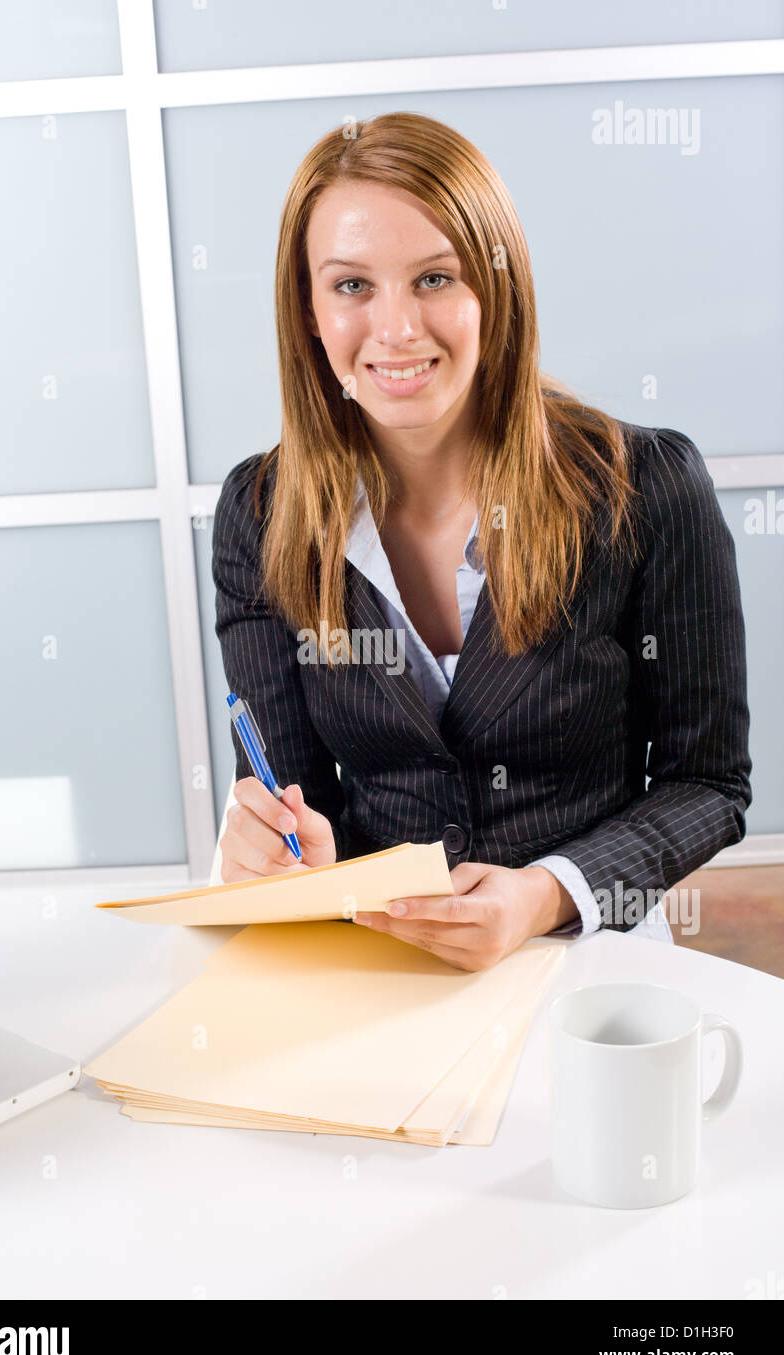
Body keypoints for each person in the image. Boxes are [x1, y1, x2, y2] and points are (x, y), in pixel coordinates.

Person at [212, 111, 751, 973]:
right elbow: (294, 795)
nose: (395, 330)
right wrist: (285, 855)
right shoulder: (260, 510)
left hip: (588, 949)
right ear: (309, 312)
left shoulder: (647, 486)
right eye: (352, 286)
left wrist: (543, 893)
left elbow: (711, 787)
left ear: (497, 291)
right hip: (372, 956)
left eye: (434, 277)